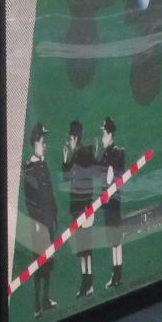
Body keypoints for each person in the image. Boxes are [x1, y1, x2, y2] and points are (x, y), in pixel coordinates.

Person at [17, 123, 60, 317]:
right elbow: (30, 201)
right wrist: (37, 224)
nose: (45, 145)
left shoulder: (43, 164)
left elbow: (49, 192)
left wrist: (55, 215)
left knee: (48, 262)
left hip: (49, 221)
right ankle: (36, 304)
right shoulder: (29, 168)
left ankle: (45, 299)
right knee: (38, 264)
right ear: (35, 143)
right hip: (38, 224)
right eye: (43, 142)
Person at [63, 120, 103, 298]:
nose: (69, 141)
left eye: (70, 138)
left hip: (83, 207)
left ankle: (88, 284)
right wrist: (66, 160)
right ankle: (86, 284)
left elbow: (89, 174)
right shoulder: (79, 154)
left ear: (74, 138)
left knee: (85, 248)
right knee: (82, 248)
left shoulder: (82, 154)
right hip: (79, 207)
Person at [99, 117, 128, 289]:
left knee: (116, 238)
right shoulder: (105, 154)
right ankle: (115, 273)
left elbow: (116, 175)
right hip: (107, 203)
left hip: (114, 201)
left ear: (110, 135)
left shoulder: (117, 153)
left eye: (104, 134)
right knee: (112, 239)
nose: (102, 137)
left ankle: (118, 273)